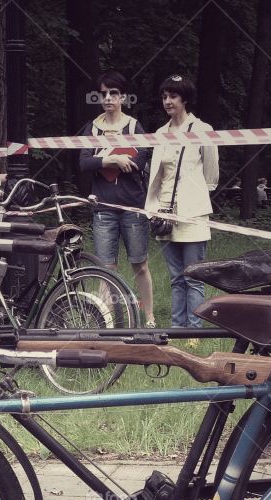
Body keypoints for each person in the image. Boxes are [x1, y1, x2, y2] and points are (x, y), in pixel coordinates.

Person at [79, 71, 156, 327]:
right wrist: (110, 159)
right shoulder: (92, 127)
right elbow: (83, 161)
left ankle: (149, 317)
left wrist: (126, 161)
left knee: (140, 265)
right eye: (104, 94)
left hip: (132, 205)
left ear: (123, 96)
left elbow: (142, 158)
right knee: (105, 269)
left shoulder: (134, 126)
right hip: (103, 207)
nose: (108, 98)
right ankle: (107, 322)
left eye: (113, 93)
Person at [144, 74, 219, 330]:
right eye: (164, 96)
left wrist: (194, 200)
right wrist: (154, 209)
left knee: (194, 277)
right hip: (164, 214)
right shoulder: (160, 133)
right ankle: (177, 329)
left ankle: (194, 331)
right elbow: (157, 175)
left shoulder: (202, 130)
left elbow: (211, 175)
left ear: (184, 98)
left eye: (173, 96)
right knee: (176, 277)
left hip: (192, 215)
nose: (167, 101)